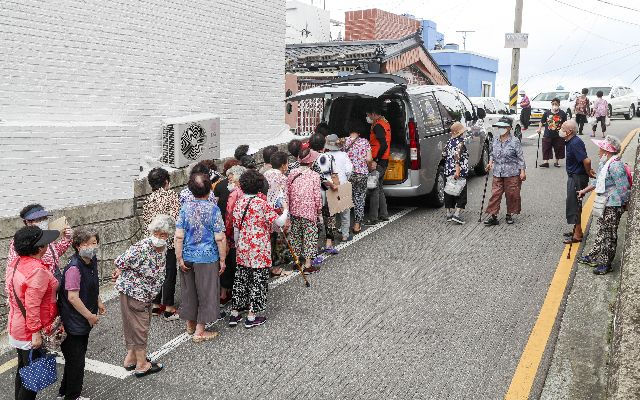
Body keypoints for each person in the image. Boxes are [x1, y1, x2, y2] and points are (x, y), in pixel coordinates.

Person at [113, 214, 174, 377]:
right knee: (140, 326)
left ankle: (131, 359)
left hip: (144, 293)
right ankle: (141, 364)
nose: (159, 238)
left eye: (163, 235)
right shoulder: (142, 246)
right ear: (151, 232)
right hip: (135, 292)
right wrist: (120, 270)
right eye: (156, 233)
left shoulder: (163, 247)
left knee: (134, 325)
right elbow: (120, 261)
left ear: (168, 235)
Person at [229, 170, 288, 328]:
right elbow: (279, 222)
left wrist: (238, 244)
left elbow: (236, 227)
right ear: (260, 186)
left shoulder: (239, 202)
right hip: (259, 248)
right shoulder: (262, 204)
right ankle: (251, 316)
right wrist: (285, 210)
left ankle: (235, 313)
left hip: (243, 246)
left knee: (241, 279)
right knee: (258, 280)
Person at [7, 226, 60, 400]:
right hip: (29, 331)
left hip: (16, 325)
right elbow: (32, 305)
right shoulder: (37, 271)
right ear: (39, 248)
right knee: (32, 381)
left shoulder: (16, 262)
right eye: (44, 243)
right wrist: (36, 333)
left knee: (24, 369)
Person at [174, 173, 227, 343]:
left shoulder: (185, 208)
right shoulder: (213, 209)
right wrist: (222, 259)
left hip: (187, 255)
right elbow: (220, 237)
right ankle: (200, 331)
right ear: (209, 189)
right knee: (206, 292)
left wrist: (179, 257)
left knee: (189, 291)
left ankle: (190, 324)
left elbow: (179, 236)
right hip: (207, 257)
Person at [58, 226, 105, 400]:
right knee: (77, 362)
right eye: (86, 244)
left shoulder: (91, 260)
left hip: (81, 320)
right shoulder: (74, 268)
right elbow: (72, 298)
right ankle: (73, 396)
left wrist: (98, 302)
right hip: (74, 322)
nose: (91, 247)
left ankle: (64, 392)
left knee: (74, 360)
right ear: (78, 246)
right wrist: (90, 316)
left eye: (94, 243)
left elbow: (92, 284)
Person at [578, 135, 630, 275]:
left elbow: (624, 188)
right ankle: (595, 256)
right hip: (604, 203)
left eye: (601, 149)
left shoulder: (615, 165)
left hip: (613, 205)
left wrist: (625, 204)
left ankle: (606, 264)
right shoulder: (605, 163)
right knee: (601, 230)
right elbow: (597, 182)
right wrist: (584, 191)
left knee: (609, 234)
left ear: (607, 151)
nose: (598, 151)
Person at [143, 167, 180, 320]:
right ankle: (169, 309)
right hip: (168, 242)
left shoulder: (148, 199)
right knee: (169, 273)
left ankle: (156, 305)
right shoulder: (171, 195)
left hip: (153, 242)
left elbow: (146, 222)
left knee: (156, 272)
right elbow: (175, 218)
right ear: (166, 181)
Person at [6, 204, 73, 277]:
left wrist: (66, 239)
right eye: (38, 220)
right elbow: (13, 266)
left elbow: (55, 253)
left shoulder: (46, 233)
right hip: (39, 277)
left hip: (54, 274)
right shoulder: (20, 239)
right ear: (27, 222)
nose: (42, 222)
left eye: (44, 218)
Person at [484, 117, 527, 226]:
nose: (500, 129)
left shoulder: (515, 141)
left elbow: (520, 157)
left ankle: (509, 214)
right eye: (499, 127)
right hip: (497, 172)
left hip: (512, 172)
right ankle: (493, 216)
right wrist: (490, 163)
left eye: (503, 127)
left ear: (509, 128)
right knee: (495, 194)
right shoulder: (495, 139)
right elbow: (492, 153)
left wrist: (522, 171)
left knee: (512, 194)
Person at [287, 148, 323, 274]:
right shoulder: (314, 175)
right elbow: (317, 195)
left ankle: (297, 262)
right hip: (309, 210)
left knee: (295, 235)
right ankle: (308, 265)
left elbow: (288, 191)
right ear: (311, 161)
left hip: (294, 209)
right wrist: (319, 209)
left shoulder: (292, 173)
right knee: (309, 236)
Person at [561, 120, 594, 245]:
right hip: (575, 175)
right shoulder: (570, 141)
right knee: (573, 203)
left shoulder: (575, 143)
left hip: (577, 177)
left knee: (574, 204)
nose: (561, 130)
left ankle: (578, 234)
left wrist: (588, 171)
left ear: (569, 131)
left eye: (563, 129)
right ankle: (576, 229)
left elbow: (587, 161)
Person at [310, 133, 340, 256]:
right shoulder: (329, 157)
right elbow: (334, 175)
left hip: (313, 191)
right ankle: (328, 244)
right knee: (330, 217)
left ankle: (315, 246)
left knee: (315, 219)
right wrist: (337, 187)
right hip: (328, 189)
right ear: (324, 145)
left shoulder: (307, 158)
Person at [342, 119, 372, 234]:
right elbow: (369, 159)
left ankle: (344, 227)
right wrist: (369, 168)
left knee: (346, 199)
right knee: (359, 199)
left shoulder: (343, 142)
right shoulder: (364, 142)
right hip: (361, 174)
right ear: (360, 130)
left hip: (348, 175)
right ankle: (357, 225)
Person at [264, 151, 290, 276]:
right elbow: (284, 196)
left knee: (270, 236)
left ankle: (271, 260)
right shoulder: (283, 178)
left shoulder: (266, 174)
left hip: (266, 208)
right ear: (283, 165)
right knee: (280, 234)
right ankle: (280, 258)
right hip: (278, 210)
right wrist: (286, 213)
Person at [366, 101, 391, 224]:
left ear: (374, 114)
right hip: (384, 160)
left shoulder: (377, 126)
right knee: (379, 187)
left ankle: (373, 218)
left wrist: (376, 160)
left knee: (374, 188)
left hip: (379, 161)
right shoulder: (385, 122)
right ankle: (384, 214)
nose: (367, 117)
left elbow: (383, 145)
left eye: (368, 115)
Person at [325, 134, 354, 241]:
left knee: (331, 213)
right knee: (345, 212)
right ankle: (345, 235)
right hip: (342, 184)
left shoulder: (324, 156)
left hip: (329, 185)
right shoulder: (344, 155)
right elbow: (349, 170)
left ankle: (330, 238)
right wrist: (345, 179)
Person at [442, 122, 469, 225]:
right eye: (463, 132)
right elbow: (457, 156)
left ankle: (448, 214)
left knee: (449, 191)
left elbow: (443, 154)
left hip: (448, 171)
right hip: (459, 172)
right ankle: (457, 215)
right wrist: (457, 169)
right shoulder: (461, 142)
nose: (464, 133)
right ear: (460, 133)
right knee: (461, 194)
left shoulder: (449, 142)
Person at [537, 98, 567, 168]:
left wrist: (565, 131)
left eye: (556, 104)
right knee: (546, 148)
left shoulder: (562, 113)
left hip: (558, 135)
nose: (554, 105)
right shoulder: (547, 113)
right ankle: (546, 162)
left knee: (558, 148)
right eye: (553, 104)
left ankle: (556, 162)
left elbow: (565, 123)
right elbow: (541, 121)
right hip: (548, 134)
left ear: (559, 105)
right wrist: (539, 129)